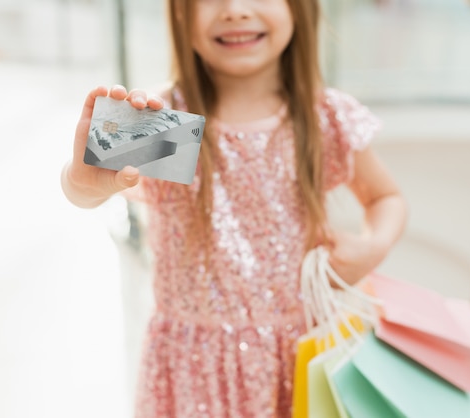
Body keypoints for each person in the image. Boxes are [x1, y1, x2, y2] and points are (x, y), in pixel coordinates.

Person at [61, 0, 408, 416]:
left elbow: (385, 197)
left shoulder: (323, 117)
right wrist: (82, 181)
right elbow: (86, 191)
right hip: (190, 369)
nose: (236, 9)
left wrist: (374, 245)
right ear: (179, 13)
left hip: (298, 360)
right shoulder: (165, 120)